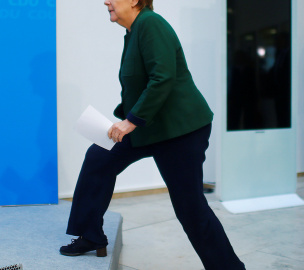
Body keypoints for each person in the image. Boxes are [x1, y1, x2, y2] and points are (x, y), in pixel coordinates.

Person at [59, 0, 246, 269]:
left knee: (190, 208)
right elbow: (140, 85)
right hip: (150, 126)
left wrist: (131, 121)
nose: (106, 1)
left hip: (179, 131)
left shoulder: (150, 24)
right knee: (99, 157)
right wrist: (125, 119)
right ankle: (91, 235)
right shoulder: (133, 31)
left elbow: (163, 77)